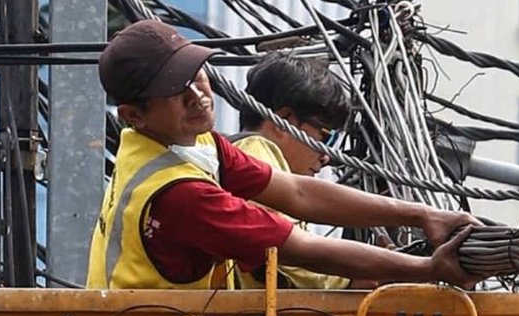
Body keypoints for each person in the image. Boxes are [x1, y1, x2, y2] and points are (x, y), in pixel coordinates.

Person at [87, 20, 478, 292]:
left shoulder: (188, 143)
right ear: (134, 116)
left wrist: (423, 215)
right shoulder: (179, 194)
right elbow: (296, 248)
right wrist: (428, 268)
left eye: (196, 73)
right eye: (175, 90)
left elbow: (296, 192)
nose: (197, 94)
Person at [232, 53, 353, 290]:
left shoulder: (240, 156)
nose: (326, 156)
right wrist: (352, 277)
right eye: (325, 137)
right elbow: (288, 255)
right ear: (283, 121)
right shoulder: (254, 152)